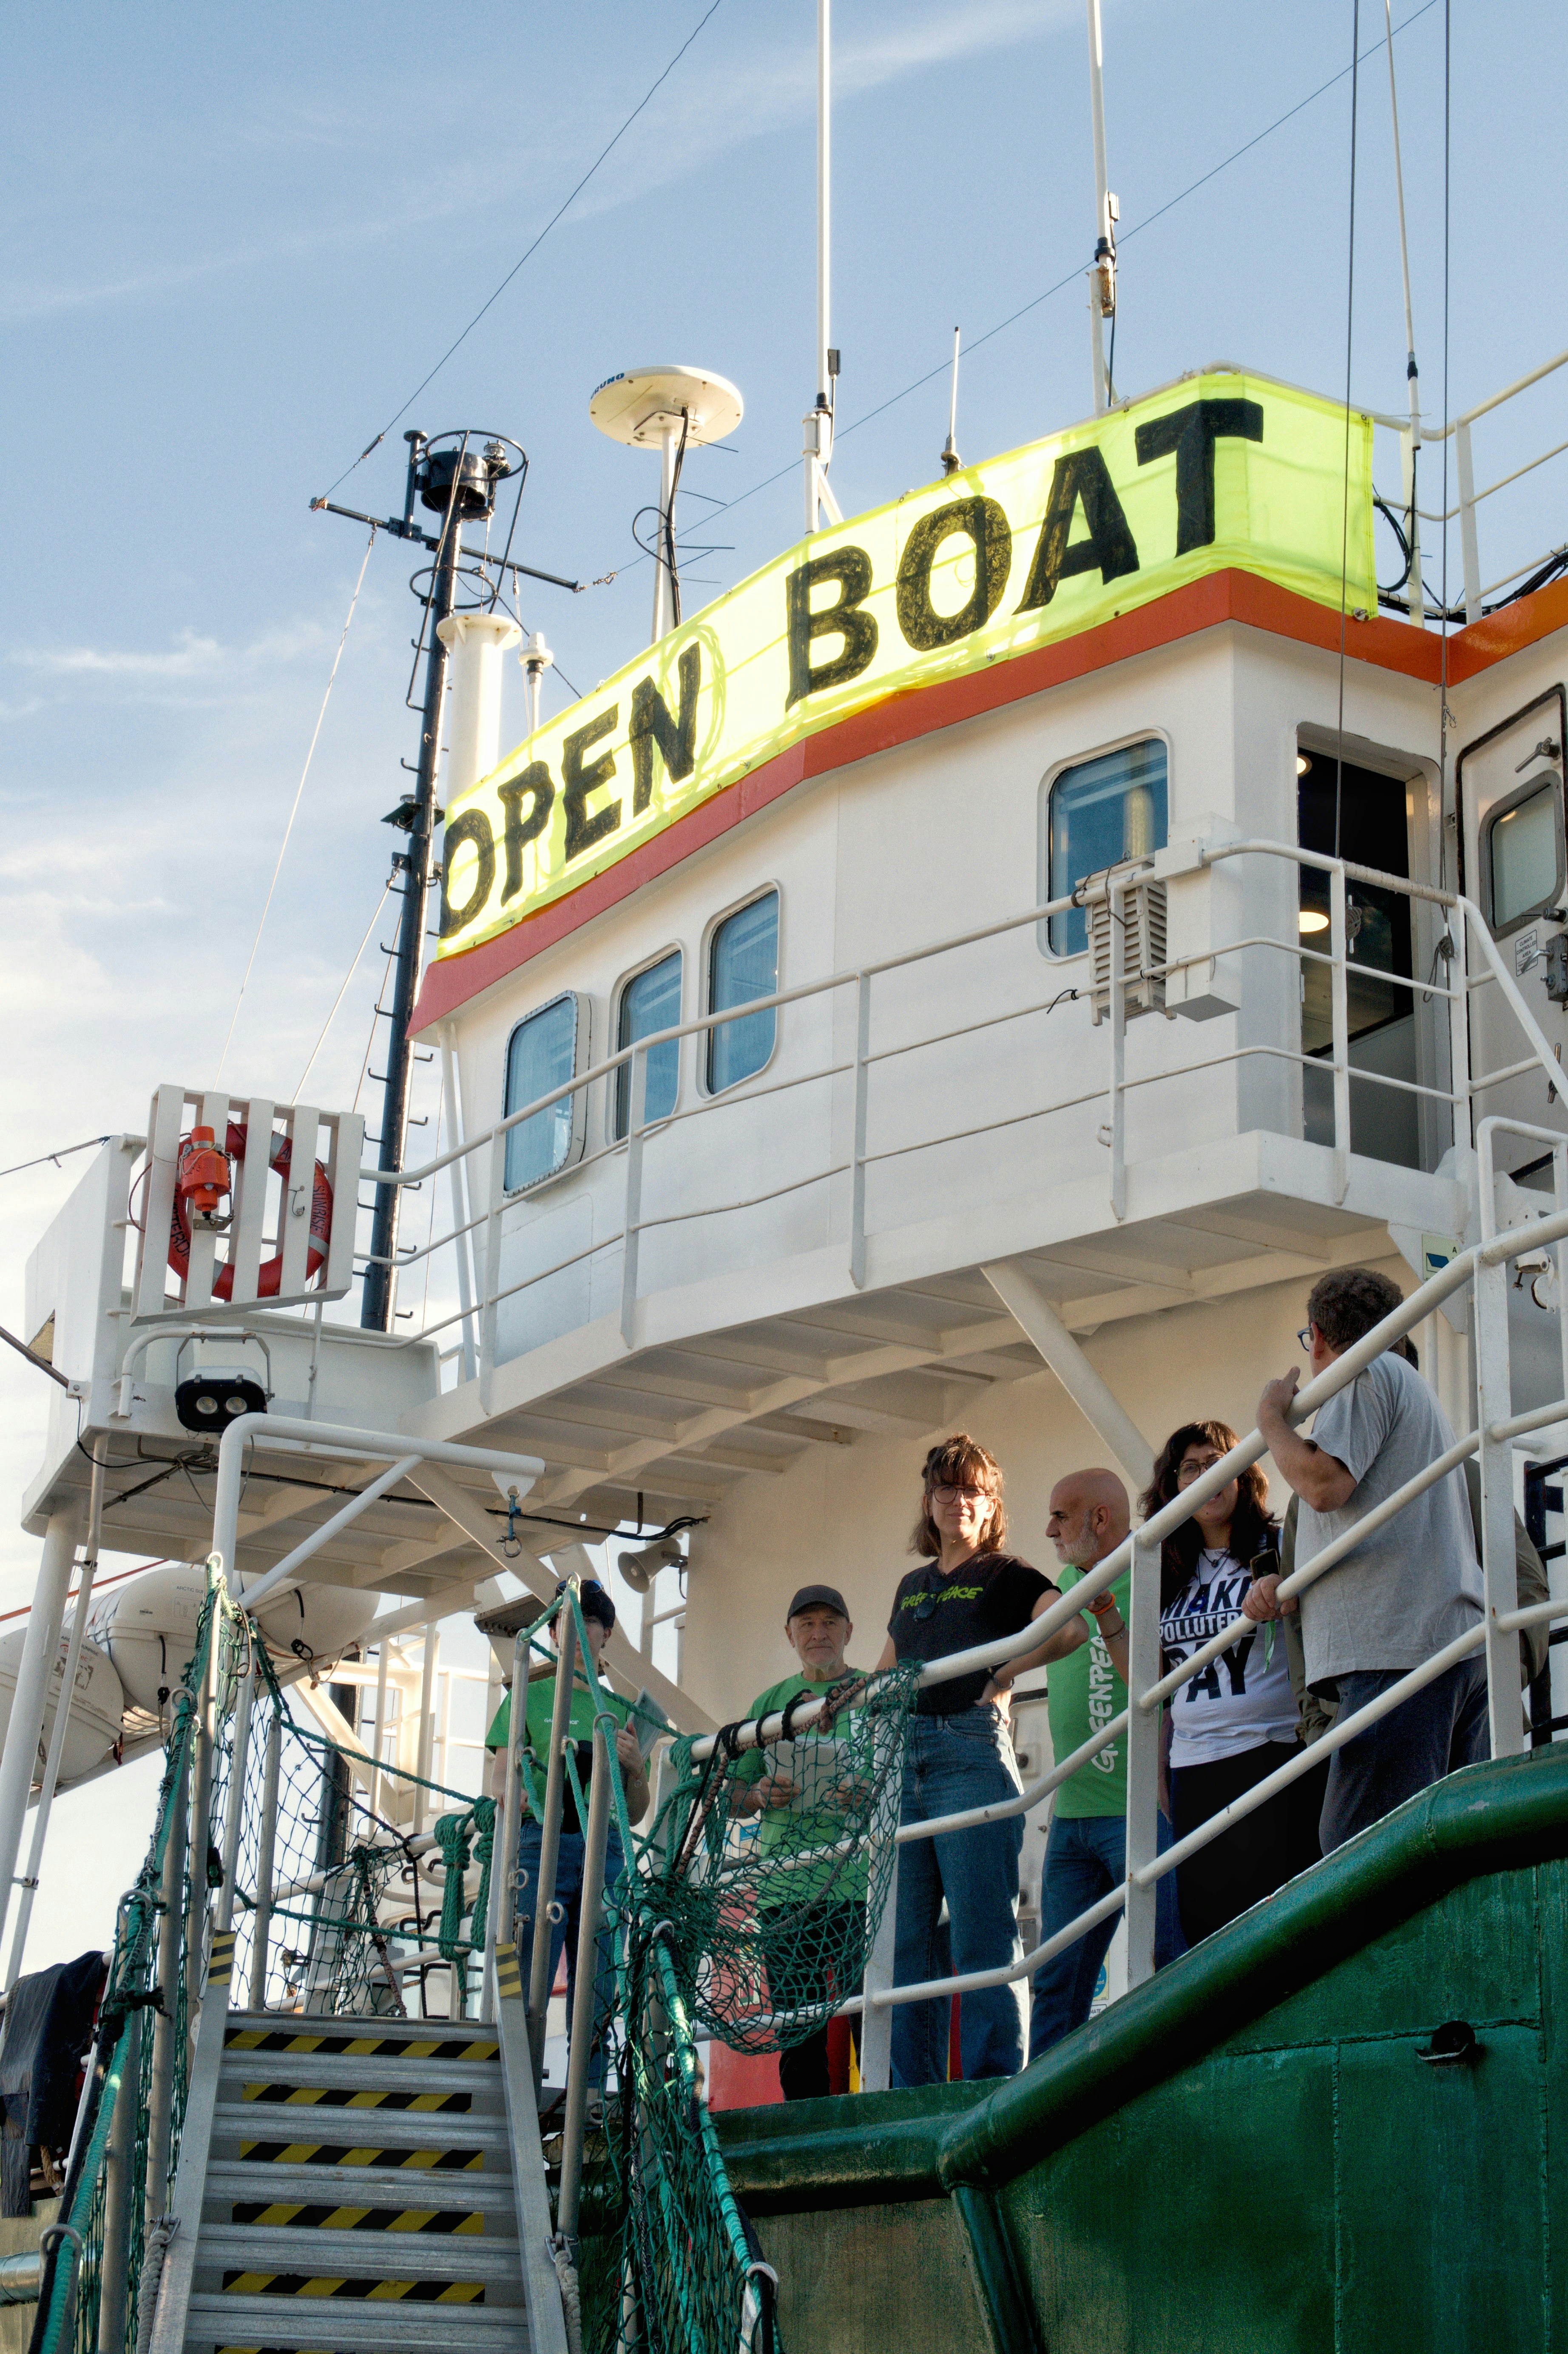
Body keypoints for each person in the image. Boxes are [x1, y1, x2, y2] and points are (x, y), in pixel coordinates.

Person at [875, 1434, 1127, 2087]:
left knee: (981, 1939)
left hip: (969, 1755)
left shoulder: (1009, 1574)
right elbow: (884, 1676)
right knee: (909, 1946)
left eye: (972, 1491)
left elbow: (1070, 1628)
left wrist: (1003, 1673)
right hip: (907, 1761)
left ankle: (991, 2087)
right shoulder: (912, 1587)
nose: (957, 1501)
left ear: (990, 1507)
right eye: (946, 1489)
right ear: (928, 1504)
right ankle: (914, 2096)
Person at [1245, 1267, 1485, 1854]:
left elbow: (1325, 1485)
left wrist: (1273, 1421)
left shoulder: (1364, 1371)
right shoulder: (1410, 1386)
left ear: (1319, 1336)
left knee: (1363, 1851)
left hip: (1396, 1649)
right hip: (1445, 1644)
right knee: (1441, 1851)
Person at [1142, 1421, 1325, 1947]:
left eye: (1218, 1463)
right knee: (1210, 1931)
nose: (1206, 1476)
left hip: (1271, 1749)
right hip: (1194, 1766)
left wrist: (1280, 1585)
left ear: (1244, 1476)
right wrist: (1161, 1769)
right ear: (1173, 1485)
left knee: (1282, 1924)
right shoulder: (1164, 1567)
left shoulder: (1277, 1542)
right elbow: (1162, 1687)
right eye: (1191, 1467)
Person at [1028, 1469, 1183, 2061]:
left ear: (1100, 1519)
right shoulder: (1060, 1586)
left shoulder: (1154, 1569)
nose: (1048, 1530)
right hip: (1070, 1821)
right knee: (1056, 1982)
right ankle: (1036, 2119)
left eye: (1061, 1517)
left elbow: (1157, 1686)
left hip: (1142, 1811)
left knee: (1165, 1963)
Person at [485, 1580, 650, 2089]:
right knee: (532, 1967)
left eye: (590, 1622)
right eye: (565, 1623)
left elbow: (634, 1811)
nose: (577, 1632)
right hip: (543, 1842)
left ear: (606, 1633)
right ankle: (519, 2083)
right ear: (553, 1633)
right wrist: (522, 1781)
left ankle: (591, 2089)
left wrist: (636, 1768)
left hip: (605, 1847)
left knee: (599, 1978)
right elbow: (500, 1780)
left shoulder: (621, 1710)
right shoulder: (526, 1697)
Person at [728, 1584, 870, 2101]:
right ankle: (807, 2149)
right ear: (789, 1635)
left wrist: (869, 1791)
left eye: (830, 1622)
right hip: (785, 1889)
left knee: (872, 2020)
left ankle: (879, 2132)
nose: (819, 1633)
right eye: (807, 1624)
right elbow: (733, 1794)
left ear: (849, 1632)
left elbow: (905, 1772)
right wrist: (761, 1792)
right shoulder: (768, 1702)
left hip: (863, 1886)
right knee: (798, 2031)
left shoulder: (873, 1690)